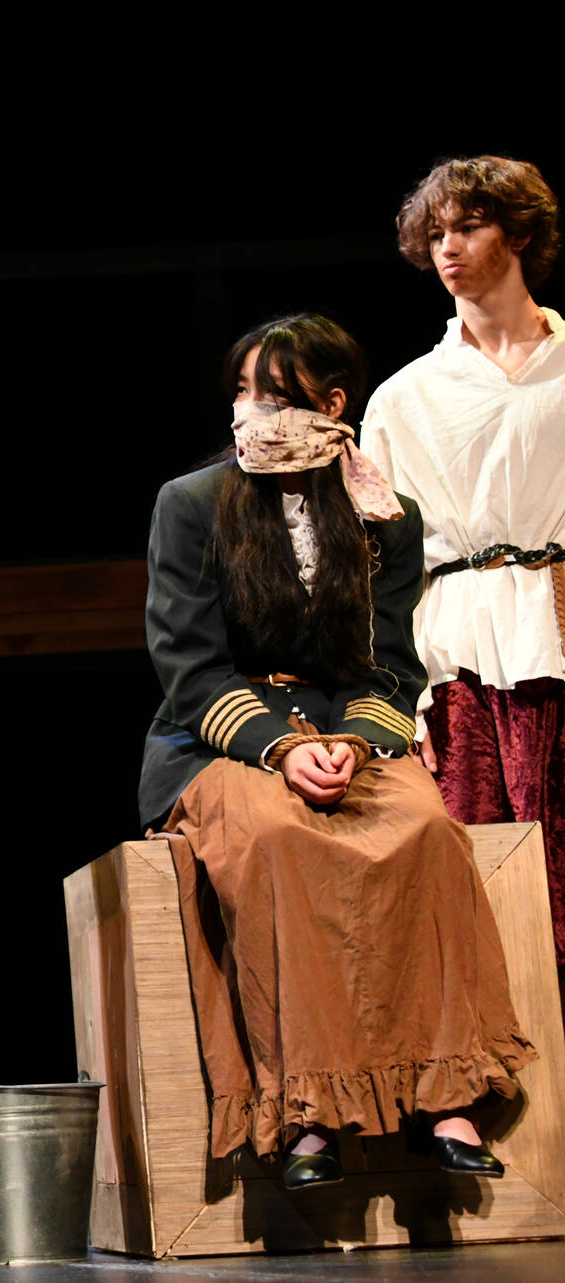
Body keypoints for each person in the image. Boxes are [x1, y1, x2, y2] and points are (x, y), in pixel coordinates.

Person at [140, 315, 536, 1192]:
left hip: (346, 733)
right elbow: (189, 668)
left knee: (427, 829)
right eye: (243, 392)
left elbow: (389, 664)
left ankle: (446, 1096)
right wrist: (281, 748)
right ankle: (307, 1111)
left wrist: (354, 742)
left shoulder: (385, 516)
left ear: (331, 405)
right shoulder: (192, 503)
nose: (251, 411)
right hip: (222, 741)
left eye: (274, 395)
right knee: (281, 839)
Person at [357, 155, 564, 979]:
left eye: (469, 226)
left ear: (517, 233)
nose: (448, 246)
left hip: (555, 623)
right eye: (436, 232)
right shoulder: (406, 397)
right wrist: (397, 694)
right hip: (459, 651)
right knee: (483, 872)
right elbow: (380, 565)